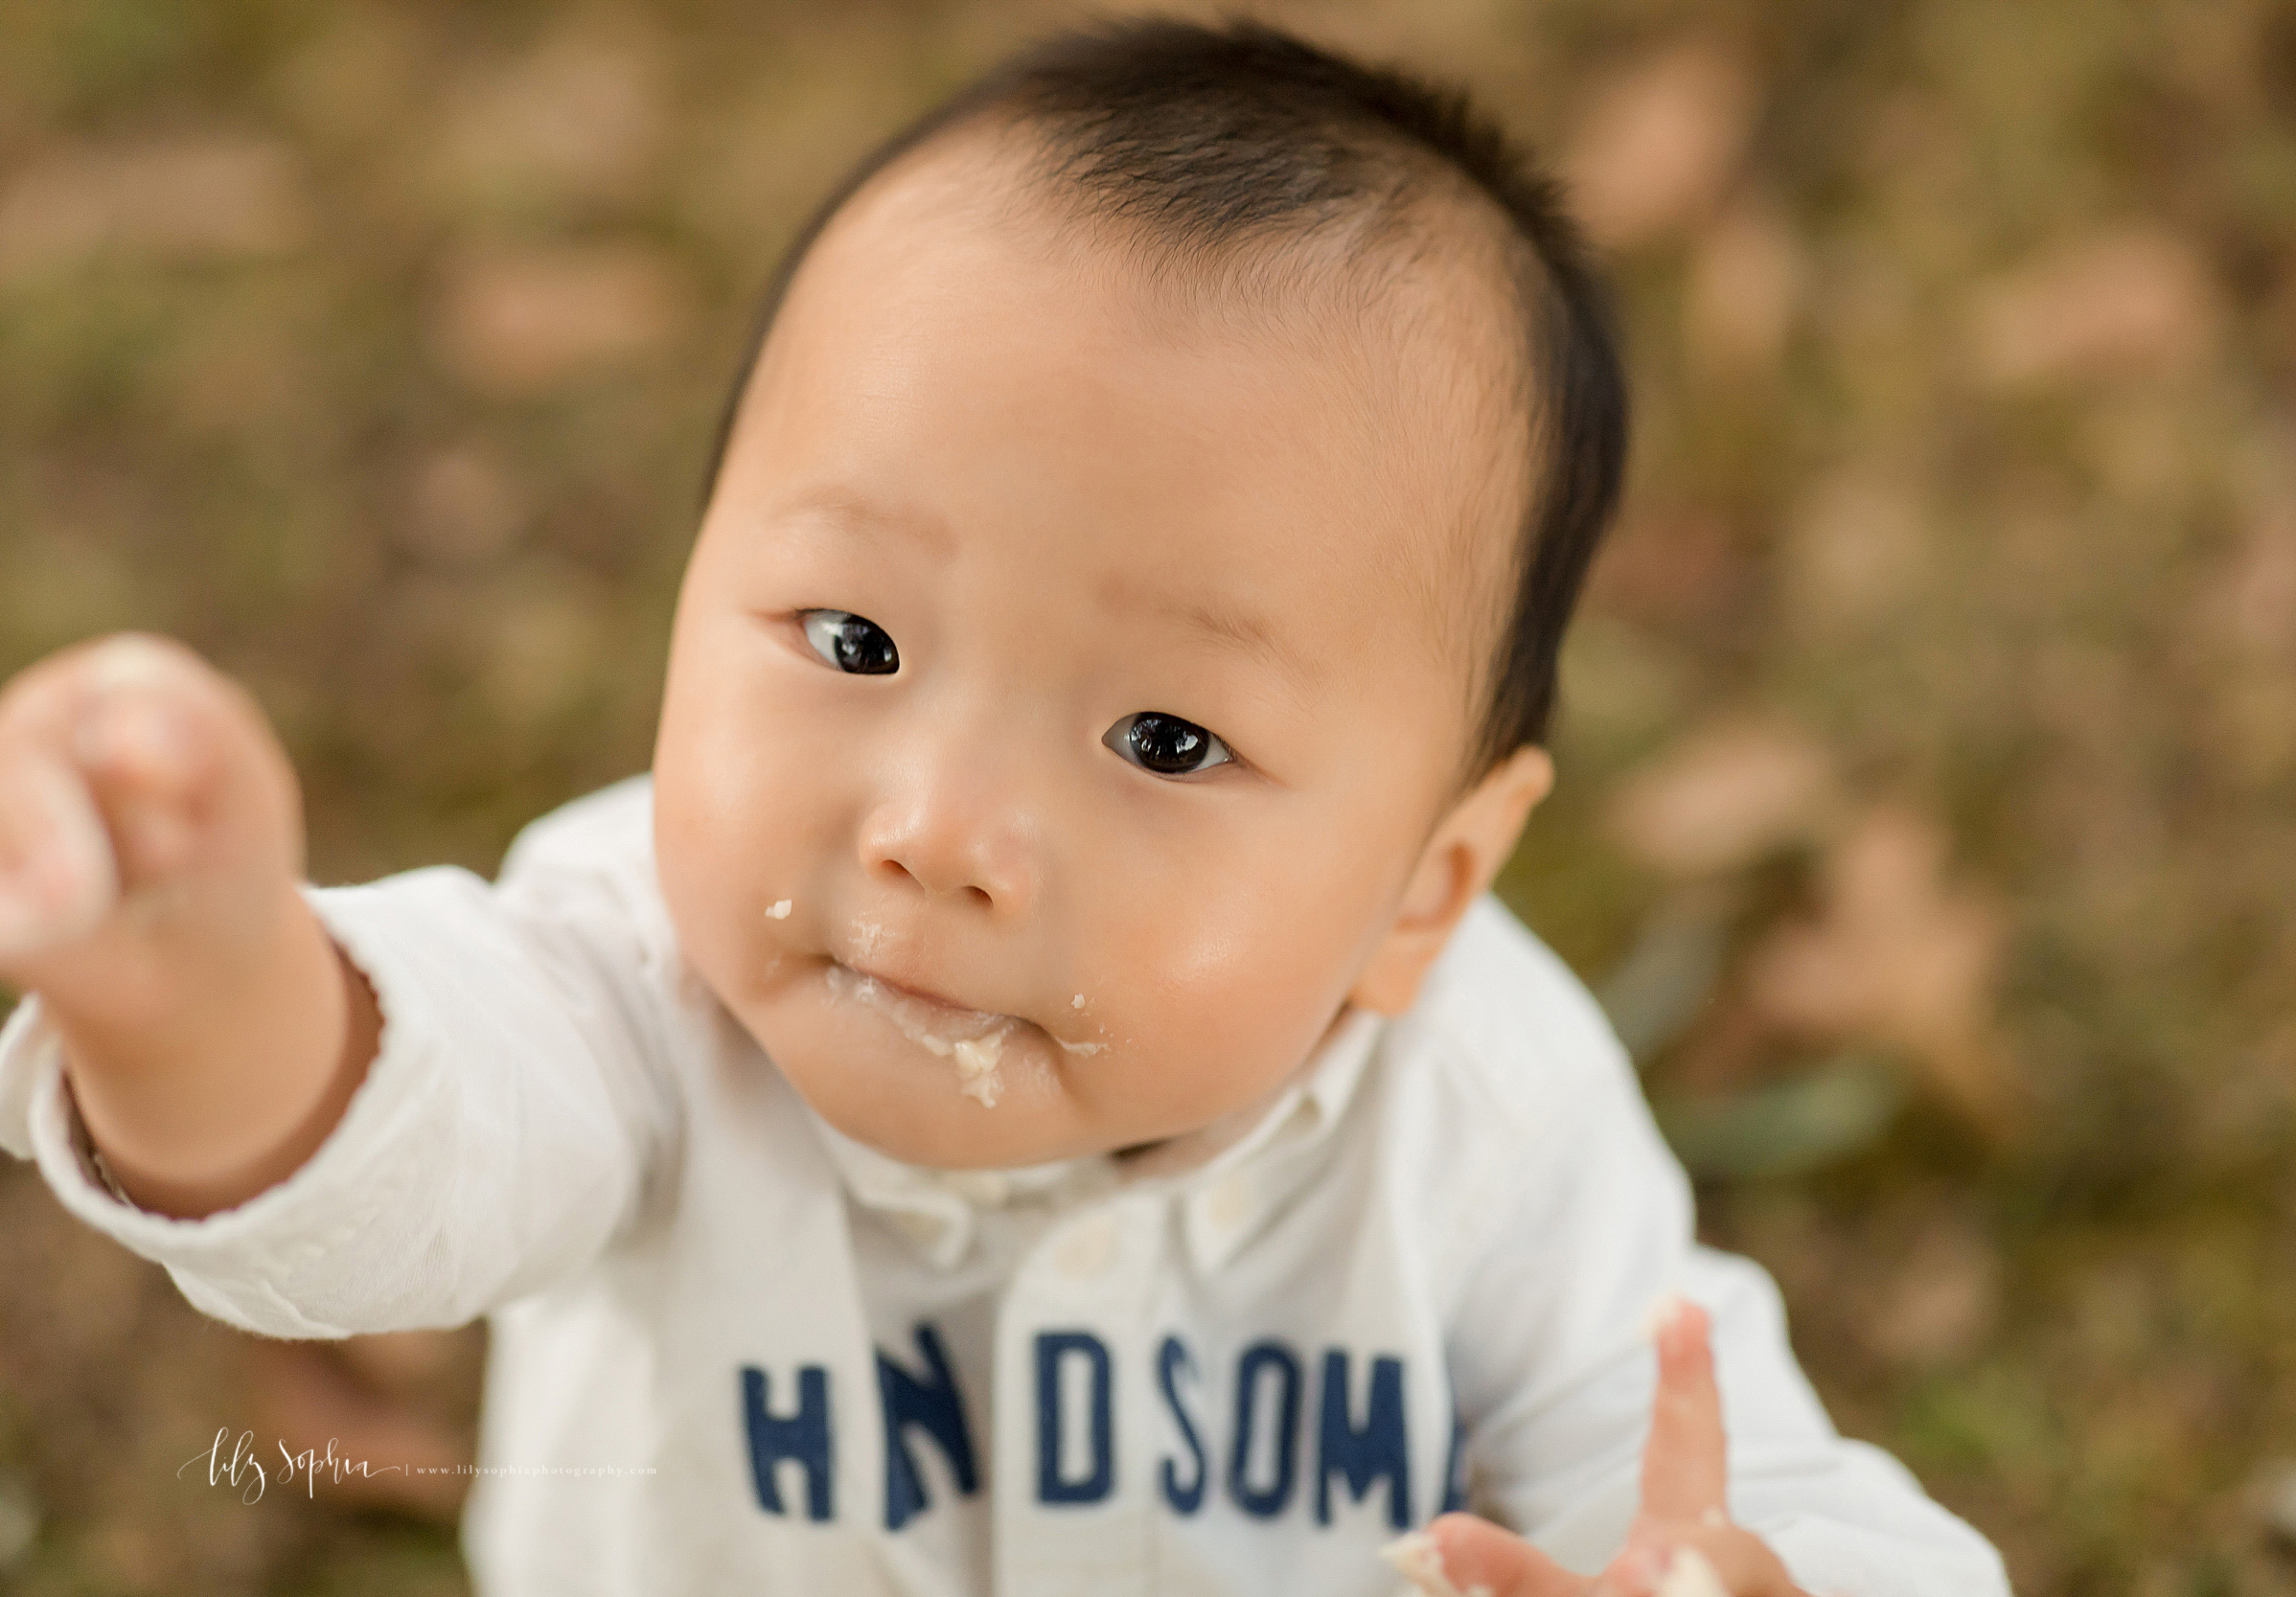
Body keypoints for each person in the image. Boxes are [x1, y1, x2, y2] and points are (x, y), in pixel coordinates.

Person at [0, 17, 2010, 1596]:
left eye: (1161, 742)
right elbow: (416, 1132)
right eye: (855, 639)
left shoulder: (1484, 1113)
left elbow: (1704, 1450)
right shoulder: (633, 963)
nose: (935, 829)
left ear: (1428, 884)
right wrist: (203, 999)